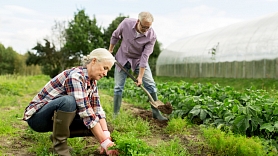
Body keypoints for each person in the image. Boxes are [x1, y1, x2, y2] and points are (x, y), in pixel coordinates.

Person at [23, 48, 119, 156]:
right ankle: (60, 149)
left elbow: (97, 109)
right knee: (69, 102)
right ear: (94, 61)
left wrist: (106, 136)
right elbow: (86, 112)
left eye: (108, 70)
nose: (105, 73)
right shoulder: (76, 76)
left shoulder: (92, 82)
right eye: (104, 68)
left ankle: (57, 135)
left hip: (55, 119)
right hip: (38, 119)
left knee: (100, 126)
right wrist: (104, 142)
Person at [108, 11, 167, 121]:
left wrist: (140, 77)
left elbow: (145, 57)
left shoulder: (151, 36)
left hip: (139, 60)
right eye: (143, 27)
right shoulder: (126, 23)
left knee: (150, 84)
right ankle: (115, 115)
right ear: (138, 21)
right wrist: (110, 51)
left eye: (148, 27)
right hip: (123, 57)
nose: (145, 30)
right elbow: (115, 36)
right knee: (118, 87)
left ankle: (156, 113)